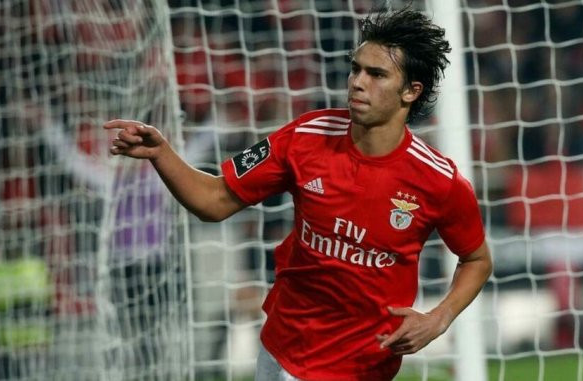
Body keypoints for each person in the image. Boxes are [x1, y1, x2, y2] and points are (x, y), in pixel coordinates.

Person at [105, 7, 492, 381]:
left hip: (364, 367)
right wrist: (162, 153)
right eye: (356, 69)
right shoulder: (306, 136)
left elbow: (476, 259)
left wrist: (438, 318)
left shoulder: (438, 181)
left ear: (411, 91)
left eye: (377, 74)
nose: (357, 82)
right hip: (283, 349)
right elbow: (215, 200)